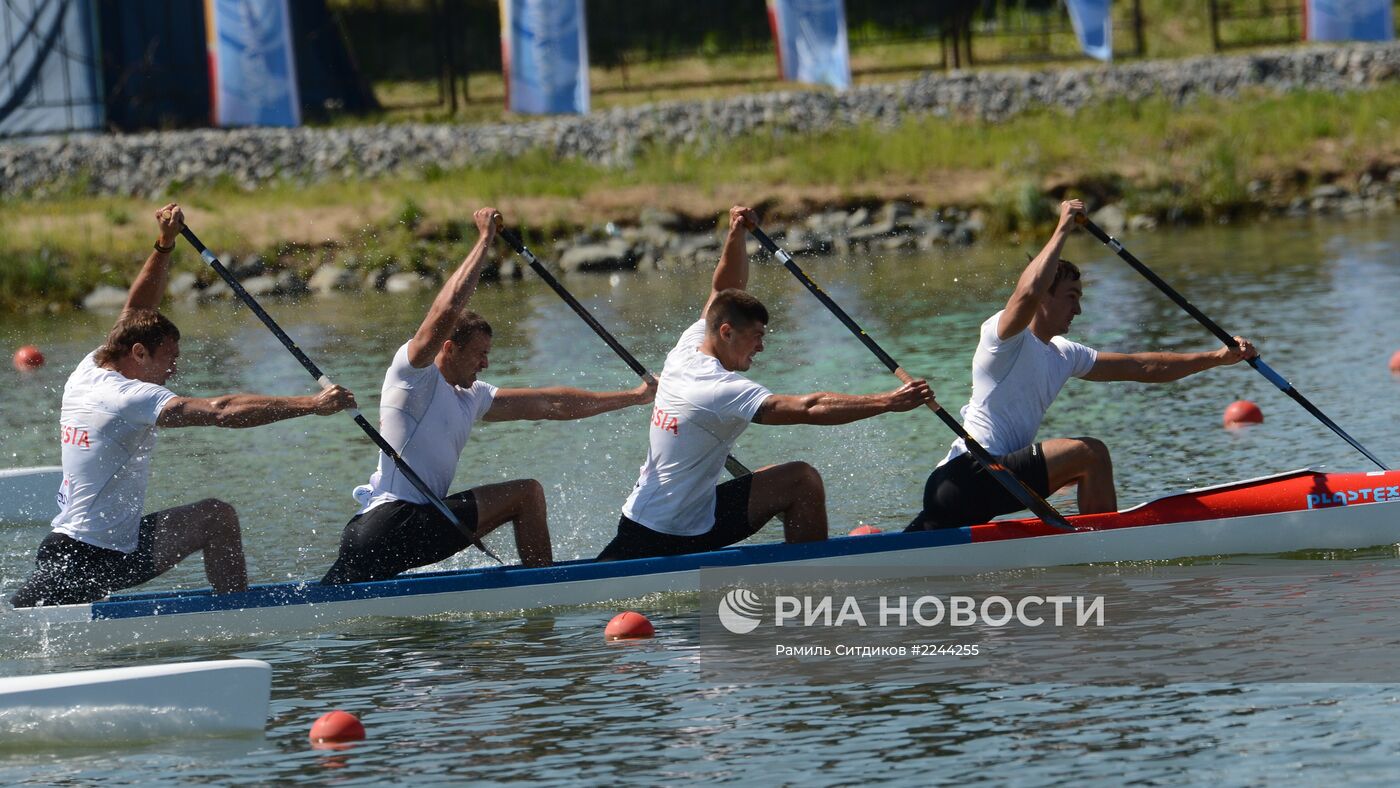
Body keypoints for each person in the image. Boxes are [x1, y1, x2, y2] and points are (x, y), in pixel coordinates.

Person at [10, 204, 358, 608]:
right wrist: (311, 405)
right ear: (138, 353)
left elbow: (135, 312)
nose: (173, 370)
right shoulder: (129, 397)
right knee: (24, 620)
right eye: (168, 359)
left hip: (104, 547)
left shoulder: (91, 366)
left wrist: (165, 245)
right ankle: (237, 618)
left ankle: (235, 613)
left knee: (216, 516)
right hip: (84, 560)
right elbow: (221, 411)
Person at [320, 208, 655, 584]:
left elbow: (551, 403)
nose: (486, 363)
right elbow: (445, 309)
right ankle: (544, 592)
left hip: (397, 530)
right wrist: (484, 241)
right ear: (448, 348)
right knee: (526, 494)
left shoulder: (472, 396)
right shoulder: (414, 375)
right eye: (479, 354)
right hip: (389, 523)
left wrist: (634, 397)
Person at [597, 205, 934, 561]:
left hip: (681, 514)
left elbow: (724, 289)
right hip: (664, 536)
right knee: (802, 480)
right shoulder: (718, 388)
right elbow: (809, 407)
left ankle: (806, 566)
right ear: (726, 332)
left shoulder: (689, 346)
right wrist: (888, 402)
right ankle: (813, 581)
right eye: (756, 336)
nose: (761, 346)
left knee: (797, 479)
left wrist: (736, 233)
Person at [908, 199, 1257, 531]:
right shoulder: (1003, 338)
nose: (1078, 310)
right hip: (966, 475)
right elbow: (1026, 294)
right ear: (1045, 296)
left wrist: (1218, 358)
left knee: (909, 548)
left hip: (986, 487)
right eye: (1071, 298)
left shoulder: (1064, 354)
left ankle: (1089, 538)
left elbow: (1143, 367)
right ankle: (1106, 547)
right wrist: (1061, 229)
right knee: (1090, 454)